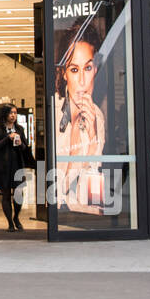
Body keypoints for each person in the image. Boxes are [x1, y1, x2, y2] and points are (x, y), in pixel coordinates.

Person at [55, 23, 107, 214]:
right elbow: (53, 194)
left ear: (95, 70)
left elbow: (94, 201)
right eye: (74, 70)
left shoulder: (97, 118)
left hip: (78, 214)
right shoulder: (54, 110)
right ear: (64, 74)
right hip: (56, 212)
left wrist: (93, 142)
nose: (83, 82)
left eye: (87, 68)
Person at [0, 105, 34, 232]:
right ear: (5, 114)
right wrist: (7, 138)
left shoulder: (20, 129)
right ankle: (10, 223)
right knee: (6, 194)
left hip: (17, 165)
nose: (13, 115)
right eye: (11, 113)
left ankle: (16, 217)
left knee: (19, 193)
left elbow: (25, 148)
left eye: (15, 113)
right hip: (2, 166)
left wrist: (21, 144)